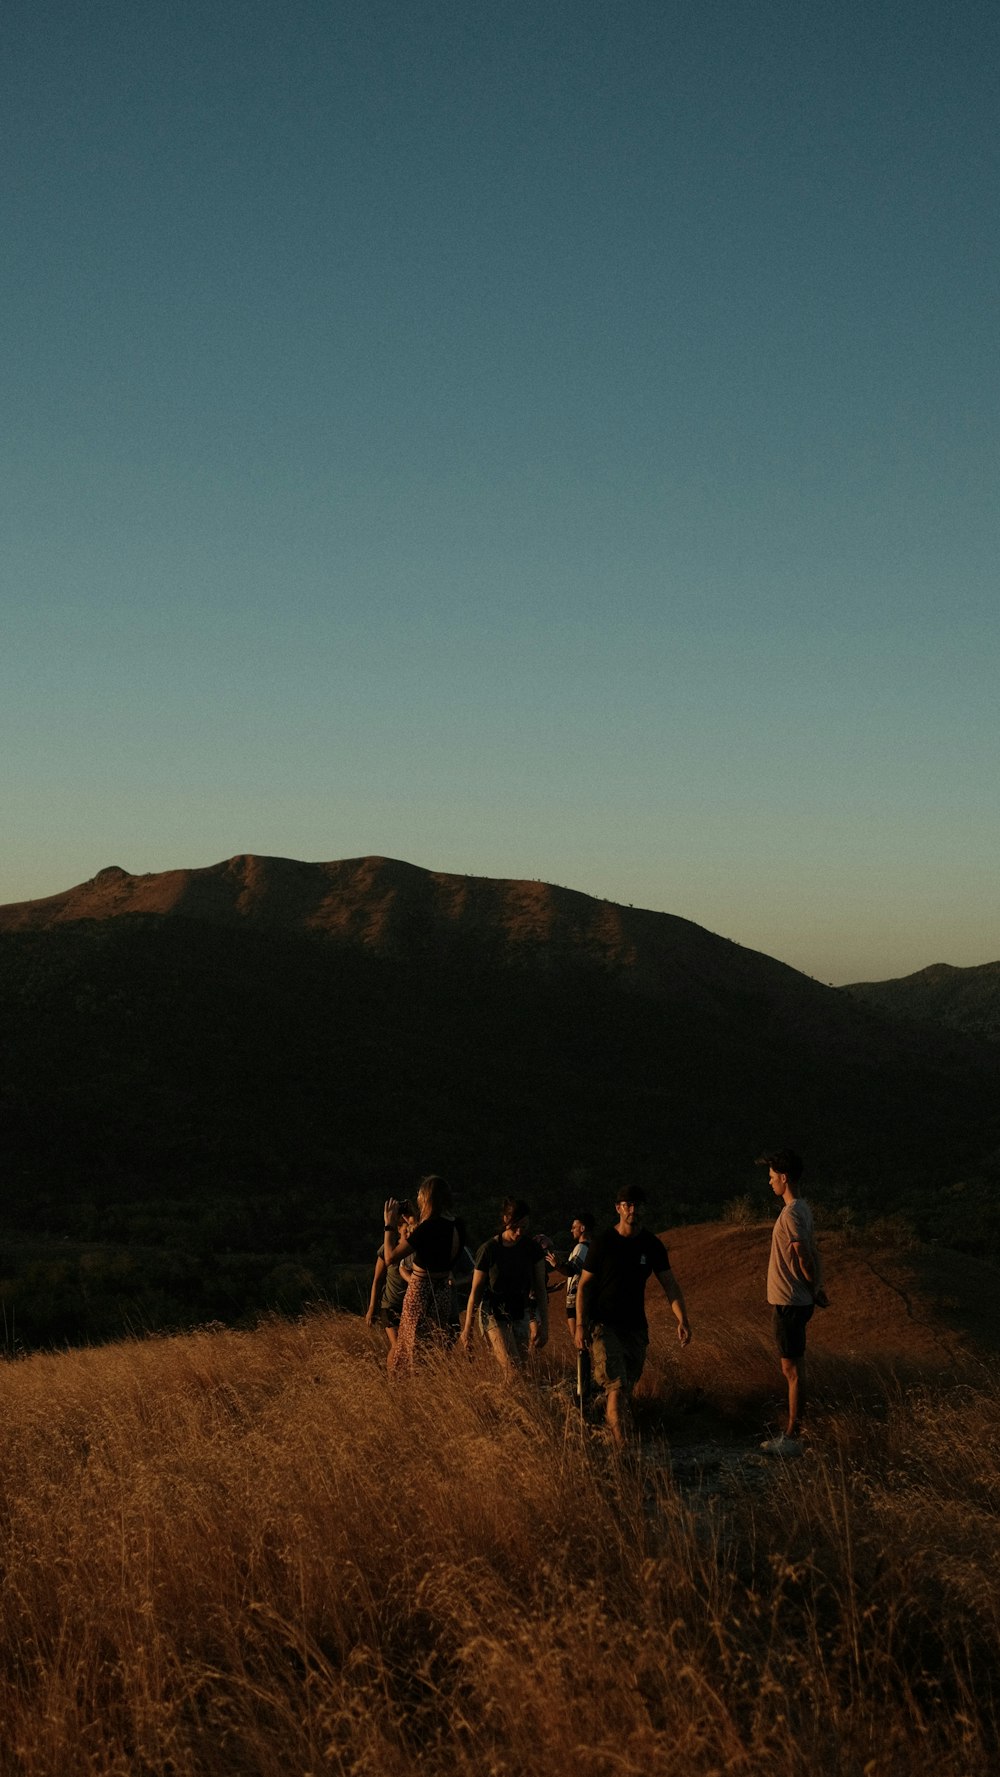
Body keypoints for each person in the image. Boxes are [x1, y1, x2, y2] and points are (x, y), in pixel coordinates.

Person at [575, 1189, 690, 1447]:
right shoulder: (603, 1242)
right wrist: (580, 1325)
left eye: (637, 1205)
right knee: (616, 1387)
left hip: (635, 1328)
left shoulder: (651, 1245)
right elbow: (584, 1286)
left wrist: (682, 1319)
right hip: (604, 1325)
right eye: (627, 1205)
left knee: (624, 1390)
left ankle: (604, 1421)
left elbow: (669, 1284)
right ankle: (623, 1449)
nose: (632, 1210)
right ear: (618, 1208)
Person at [760, 1148, 828, 1453]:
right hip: (795, 1299)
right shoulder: (802, 1209)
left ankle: (792, 1437)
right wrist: (816, 1289)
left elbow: (803, 1255)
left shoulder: (792, 1213)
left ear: (784, 1178)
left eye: (772, 1177)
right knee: (794, 1367)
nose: (770, 1182)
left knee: (792, 1370)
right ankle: (795, 1433)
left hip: (791, 1301)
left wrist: (813, 1288)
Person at [383, 1176, 466, 1373]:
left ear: (426, 1198)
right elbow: (435, 1242)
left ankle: (406, 1388)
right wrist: (415, 1220)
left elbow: (390, 1258)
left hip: (420, 1289)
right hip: (442, 1290)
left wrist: (389, 1225)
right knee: (435, 1343)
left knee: (410, 1345)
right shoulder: (458, 1225)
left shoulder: (426, 1228)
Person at [461, 1198, 549, 1376]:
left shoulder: (532, 1249)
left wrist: (545, 1326)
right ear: (505, 1221)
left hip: (519, 1312)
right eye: (515, 1226)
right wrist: (467, 1328)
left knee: (521, 1373)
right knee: (513, 1370)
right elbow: (476, 1291)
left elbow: (540, 1288)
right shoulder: (489, 1250)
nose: (519, 1232)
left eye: (524, 1227)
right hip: (493, 1312)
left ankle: (503, 1402)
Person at [365, 1200, 417, 1370]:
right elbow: (378, 1279)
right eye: (404, 1231)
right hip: (390, 1304)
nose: (408, 1234)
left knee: (409, 1347)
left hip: (409, 1305)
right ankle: (392, 1380)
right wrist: (372, 1307)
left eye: (409, 1231)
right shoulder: (387, 1249)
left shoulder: (415, 1250)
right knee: (397, 1346)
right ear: (398, 1230)